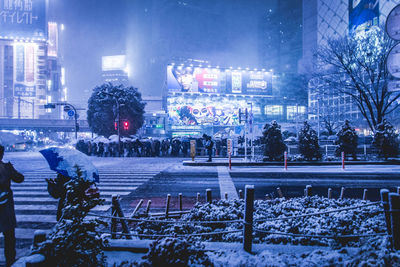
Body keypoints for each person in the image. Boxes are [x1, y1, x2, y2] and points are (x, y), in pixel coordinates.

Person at [0, 145, 24, 266]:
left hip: (5, 204)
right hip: (5, 205)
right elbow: (20, 179)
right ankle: (10, 261)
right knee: (9, 235)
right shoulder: (5, 167)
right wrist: (11, 170)